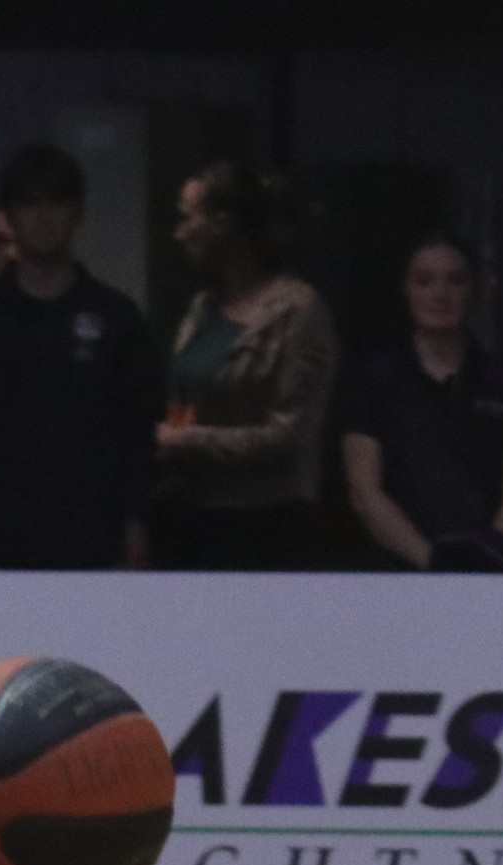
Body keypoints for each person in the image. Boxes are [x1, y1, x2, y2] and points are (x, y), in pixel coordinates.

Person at [0, 142, 160, 571]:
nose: (43, 217)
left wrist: (136, 524)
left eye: (56, 202)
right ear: (9, 215)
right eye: (30, 203)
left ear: (77, 212)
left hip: (93, 541)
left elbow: (136, 434)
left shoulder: (117, 320)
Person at [154, 161, 339, 570]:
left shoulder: (297, 311)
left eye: (188, 219)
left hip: (267, 523)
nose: (179, 233)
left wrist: (182, 441)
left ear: (222, 223)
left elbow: (291, 436)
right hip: (193, 515)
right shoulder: (203, 307)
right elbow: (183, 398)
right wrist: (171, 441)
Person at [336, 231, 503, 571]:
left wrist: (488, 558)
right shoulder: (371, 378)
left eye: (455, 281)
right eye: (424, 281)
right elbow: (365, 494)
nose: (440, 294)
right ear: (406, 288)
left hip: (491, 573)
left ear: (473, 289)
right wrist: (434, 563)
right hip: (395, 571)